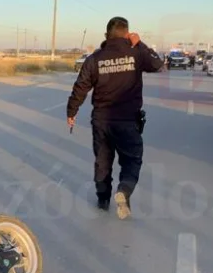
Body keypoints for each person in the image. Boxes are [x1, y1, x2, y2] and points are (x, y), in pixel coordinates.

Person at [66, 16, 164, 219]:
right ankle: (124, 190)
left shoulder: (95, 58)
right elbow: (157, 64)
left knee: (103, 161)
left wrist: (71, 112)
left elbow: (81, 87)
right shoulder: (136, 52)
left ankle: (103, 200)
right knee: (131, 160)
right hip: (128, 120)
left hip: (101, 120)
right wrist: (141, 43)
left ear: (106, 35)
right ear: (127, 33)